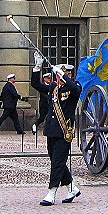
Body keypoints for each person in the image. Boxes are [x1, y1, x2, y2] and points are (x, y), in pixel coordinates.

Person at [32, 63, 82, 206]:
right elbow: (35, 84)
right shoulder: (54, 88)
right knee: (56, 161)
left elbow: (74, 88)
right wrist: (37, 67)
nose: (59, 78)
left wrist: (63, 75)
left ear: (70, 75)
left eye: (63, 75)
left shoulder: (74, 87)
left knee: (57, 163)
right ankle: (71, 188)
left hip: (64, 131)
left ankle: (51, 192)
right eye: (58, 75)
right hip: (52, 130)